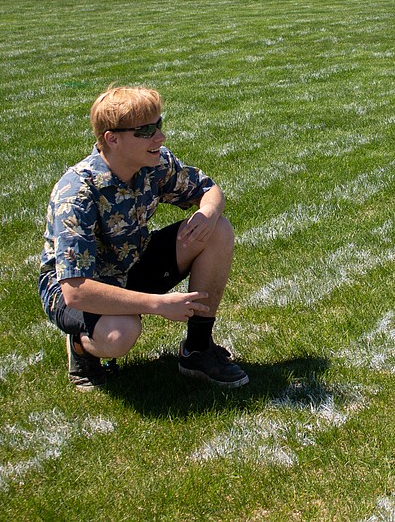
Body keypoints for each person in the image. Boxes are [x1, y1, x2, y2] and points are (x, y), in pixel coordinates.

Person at [38, 86, 249, 391]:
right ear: (112, 139)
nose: (160, 138)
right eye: (147, 131)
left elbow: (207, 189)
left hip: (131, 261)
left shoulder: (155, 163)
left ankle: (198, 349)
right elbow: (76, 291)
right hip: (78, 287)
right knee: (121, 333)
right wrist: (158, 304)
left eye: (159, 125)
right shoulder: (77, 195)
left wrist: (209, 213)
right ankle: (82, 347)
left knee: (217, 230)